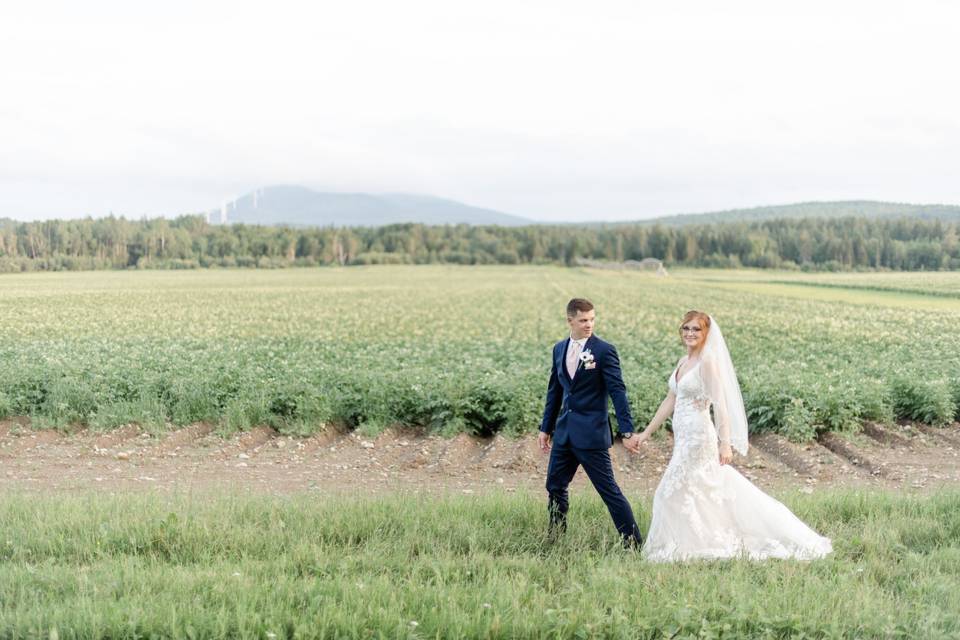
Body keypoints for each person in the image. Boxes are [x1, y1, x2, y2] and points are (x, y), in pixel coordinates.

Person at [632, 310, 832, 561]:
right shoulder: (683, 362)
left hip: (699, 437)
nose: (690, 333)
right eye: (686, 328)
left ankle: (681, 546)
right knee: (696, 489)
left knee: (670, 490)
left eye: (696, 329)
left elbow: (721, 405)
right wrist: (646, 433)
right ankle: (691, 542)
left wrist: (724, 443)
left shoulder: (708, 362)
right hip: (683, 436)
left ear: (706, 334)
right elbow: (671, 399)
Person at [539, 298, 643, 547]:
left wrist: (626, 431)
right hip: (564, 432)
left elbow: (618, 391)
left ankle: (633, 543)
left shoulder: (604, 350)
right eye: (584, 320)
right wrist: (546, 428)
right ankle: (555, 538)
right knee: (554, 485)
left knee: (608, 491)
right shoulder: (559, 349)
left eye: (592, 319)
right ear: (570, 320)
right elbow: (555, 390)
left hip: (592, 433)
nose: (589, 324)